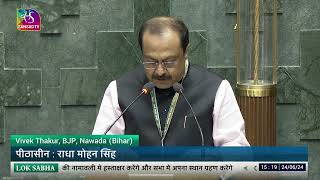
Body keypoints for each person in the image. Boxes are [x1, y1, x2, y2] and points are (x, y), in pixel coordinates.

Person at [92, 16, 249, 146]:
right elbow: (102, 149)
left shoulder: (216, 89)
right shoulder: (119, 90)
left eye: (169, 62)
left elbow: (236, 151)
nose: (160, 71)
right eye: (151, 61)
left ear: (186, 51)